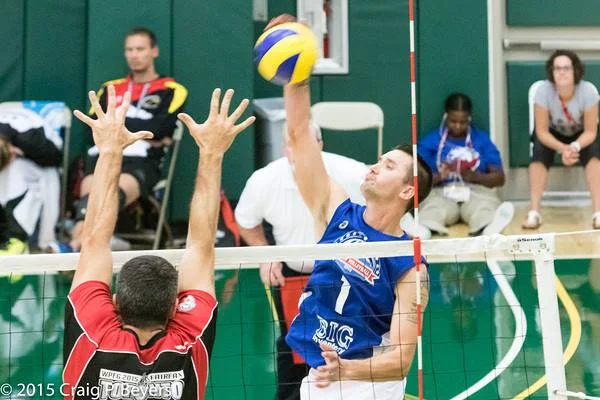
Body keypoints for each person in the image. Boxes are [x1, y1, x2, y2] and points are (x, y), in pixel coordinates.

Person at [267, 15, 433, 400]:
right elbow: (299, 137)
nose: (374, 166)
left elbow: (401, 360)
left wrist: (347, 369)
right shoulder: (337, 211)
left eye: (388, 166)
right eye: (379, 160)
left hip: (369, 384)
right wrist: (296, 74)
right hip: (320, 376)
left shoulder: (409, 263)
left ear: (407, 191)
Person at [62, 86, 254, 400]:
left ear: (115, 304)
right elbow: (201, 246)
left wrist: (109, 151)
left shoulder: (92, 330)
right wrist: (211, 153)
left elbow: (94, 240)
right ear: (175, 308)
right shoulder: (189, 340)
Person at [235, 123, 368, 400]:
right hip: (292, 275)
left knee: (347, 344)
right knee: (293, 345)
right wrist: (265, 254)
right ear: (285, 148)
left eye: (306, 145)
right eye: (292, 145)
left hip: (346, 278)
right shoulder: (264, 180)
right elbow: (245, 221)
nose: (299, 152)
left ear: (320, 145)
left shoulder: (354, 174)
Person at [52, 27, 188, 252]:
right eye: (129, 49)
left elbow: (160, 129)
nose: (134, 55)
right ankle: (83, 244)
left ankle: (75, 246)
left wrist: (116, 122)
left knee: (111, 192)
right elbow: (92, 128)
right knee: (92, 192)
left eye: (140, 49)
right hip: (104, 155)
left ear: (154, 51)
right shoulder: (110, 89)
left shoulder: (171, 89)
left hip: (142, 162)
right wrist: (143, 128)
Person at [417, 93, 514, 237]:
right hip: (441, 191)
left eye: (462, 122)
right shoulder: (431, 141)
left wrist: (475, 177)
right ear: (445, 117)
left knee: (484, 207)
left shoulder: (481, 139)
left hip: (474, 191)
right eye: (453, 121)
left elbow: (500, 178)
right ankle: (422, 230)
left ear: (469, 119)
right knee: (432, 208)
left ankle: (489, 229)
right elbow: (417, 179)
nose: (457, 126)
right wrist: (439, 177)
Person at [523, 50, 600, 229]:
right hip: (552, 134)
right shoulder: (543, 91)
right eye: (557, 68)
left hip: (582, 135)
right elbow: (542, 131)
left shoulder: (588, 91)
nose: (561, 72)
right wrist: (562, 148)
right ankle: (534, 212)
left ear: (575, 71)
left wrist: (574, 147)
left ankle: (598, 212)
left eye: (566, 68)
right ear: (551, 72)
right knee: (539, 150)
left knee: (595, 152)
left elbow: (591, 131)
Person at [0, 106, 63, 255]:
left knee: (15, 174)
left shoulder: (32, 141)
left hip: (44, 163)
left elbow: (56, 158)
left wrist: (21, 152)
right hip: (17, 149)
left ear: (11, 151)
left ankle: (17, 236)